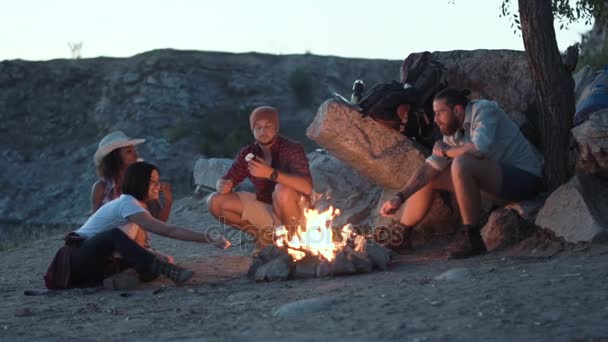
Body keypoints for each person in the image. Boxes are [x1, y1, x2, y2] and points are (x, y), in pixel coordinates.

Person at [379, 88, 543, 259]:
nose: (435, 120)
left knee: (462, 162)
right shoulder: (454, 132)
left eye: (439, 113)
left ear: (457, 110)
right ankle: (402, 236)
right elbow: (429, 168)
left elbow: (479, 150)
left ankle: (472, 238)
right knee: (430, 175)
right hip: (495, 181)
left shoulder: (484, 110)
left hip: (524, 180)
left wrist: (447, 152)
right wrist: (400, 197)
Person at [46, 161, 231, 289]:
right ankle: (167, 271)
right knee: (114, 236)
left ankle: (127, 278)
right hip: (75, 259)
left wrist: (157, 256)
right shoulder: (127, 203)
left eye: (158, 181)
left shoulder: (137, 209)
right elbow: (169, 230)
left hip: (96, 264)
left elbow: (138, 247)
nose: (158, 186)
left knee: (154, 263)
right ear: (139, 181)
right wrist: (208, 238)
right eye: (153, 181)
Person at [207, 106, 313, 249]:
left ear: (276, 128)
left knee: (283, 190)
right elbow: (230, 178)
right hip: (266, 210)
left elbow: (306, 187)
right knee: (214, 200)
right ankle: (262, 238)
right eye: (258, 128)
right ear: (253, 131)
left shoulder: (292, 149)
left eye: (268, 126)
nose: (263, 131)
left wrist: (270, 173)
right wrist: (223, 185)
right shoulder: (249, 153)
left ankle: (293, 242)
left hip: (295, 212)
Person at [91, 131, 173, 222]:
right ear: (114, 157)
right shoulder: (101, 187)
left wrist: (168, 202)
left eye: (135, 150)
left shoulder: (142, 183)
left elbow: (159, 221)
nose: (136, 155)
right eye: (129, 152)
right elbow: (95, 224)